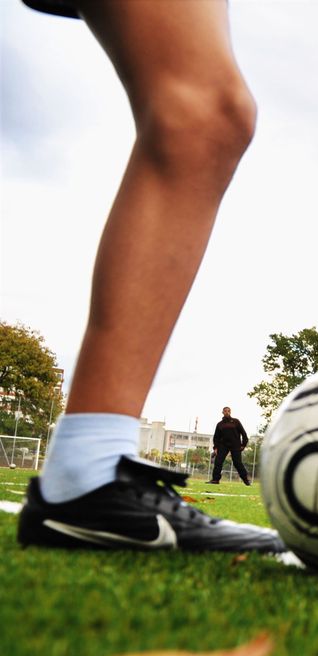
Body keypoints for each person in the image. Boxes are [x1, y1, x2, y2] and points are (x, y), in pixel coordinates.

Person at [17, 0, 284, 552]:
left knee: (207, 114)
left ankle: (87, 473)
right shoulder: (225, 424)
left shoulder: (232, 424)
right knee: (203, 110)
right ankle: (86, 475)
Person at [209, 407, 251, 485]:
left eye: (228, 411)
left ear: (230, 412)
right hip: (223, 445)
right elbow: (216, 437)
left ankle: (246, 480)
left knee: (237, 462)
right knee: (218, 461)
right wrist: (215, 448)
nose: (227, 412)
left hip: (235, 445)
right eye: (225, 411)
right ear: (222, 412)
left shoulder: (236, 421)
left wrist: (243, 444)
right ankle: (215, 480)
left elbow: (243, 433)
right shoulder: (219, 424)